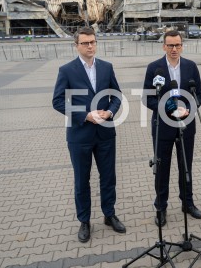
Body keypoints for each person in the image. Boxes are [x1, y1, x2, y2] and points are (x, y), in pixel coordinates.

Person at [52, 26, 126, 243]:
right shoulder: (66, 70)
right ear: (76, 46)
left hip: (105, 133)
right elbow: (57, 102)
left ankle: (109, 214)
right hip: (79, 136)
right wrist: (85, 115)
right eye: (85, 43)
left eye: (92, 41)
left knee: (108, 177)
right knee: (81, 180)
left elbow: (117, 95)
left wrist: (110, 111)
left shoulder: (106, 67)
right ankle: (84, 221)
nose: (90, 46)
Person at [142, 30, 201, 227]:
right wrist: (167, 108)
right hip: (163, 127)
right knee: (162, 167)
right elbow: (147, 97)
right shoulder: (154, 68)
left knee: (186, 165)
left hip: (186, 124)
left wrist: (188, 109)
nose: (174, 49)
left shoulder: (191, 66)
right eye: (170, 45)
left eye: (178, 45)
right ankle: (161, 206)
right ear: (164, 46)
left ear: (182, 45)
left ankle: (188, 203)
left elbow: (199, 94)